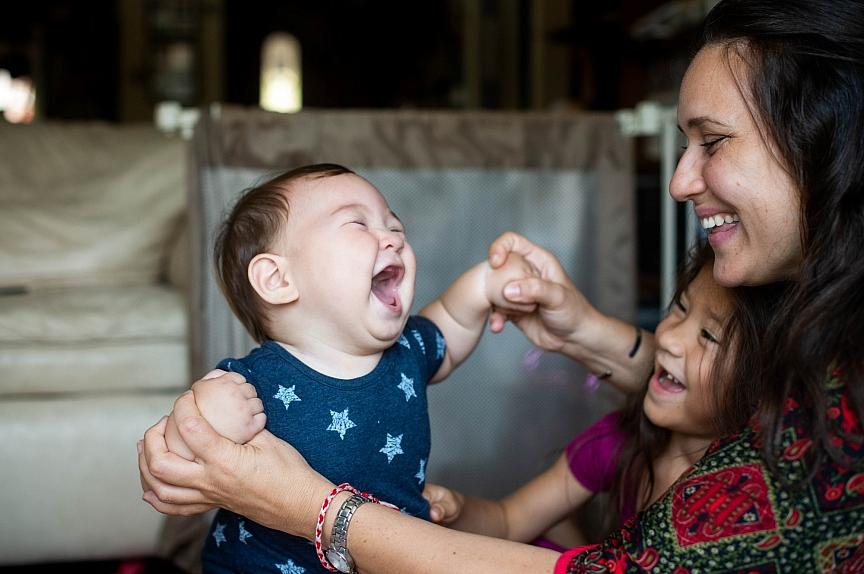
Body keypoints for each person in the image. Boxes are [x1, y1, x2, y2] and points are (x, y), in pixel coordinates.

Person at [139, 1, 864, 571]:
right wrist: (187, 438)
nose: (679, 181)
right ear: (277, 279)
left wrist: (314, 508)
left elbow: (446, 330)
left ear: (827, 142)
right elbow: (206, 421)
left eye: (713, 141)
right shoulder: (265, 375)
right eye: (356, 224)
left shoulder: (399, 357)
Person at [161, 163, 536, 573]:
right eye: (359, 223)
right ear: (277, 279)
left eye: (396, 227)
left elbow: (452, 317)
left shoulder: (407, 352)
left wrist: (485, 284)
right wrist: (211, 412)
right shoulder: (253, 381)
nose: (393, 238)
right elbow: (187, 459)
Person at [422, 244, 784, 551]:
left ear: (760, 383)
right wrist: (456, 510)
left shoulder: (748, 492)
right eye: (681, 309)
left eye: (708, 336)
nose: (669, 337)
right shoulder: (617, 440)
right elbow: (507, 520)